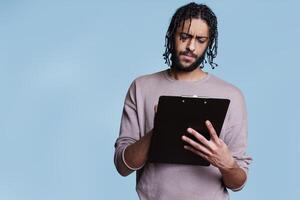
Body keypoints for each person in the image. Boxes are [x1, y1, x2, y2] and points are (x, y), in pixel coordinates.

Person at [114, 2, 252, 200]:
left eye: (201, 40)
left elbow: (238, 183)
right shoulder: (141, 87)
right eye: (184, 37)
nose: (191, 47)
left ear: (209, 43)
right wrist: (161, 129)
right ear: (172, 35)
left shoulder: (231, 95)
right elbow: (122, 166)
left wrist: (227, 164)